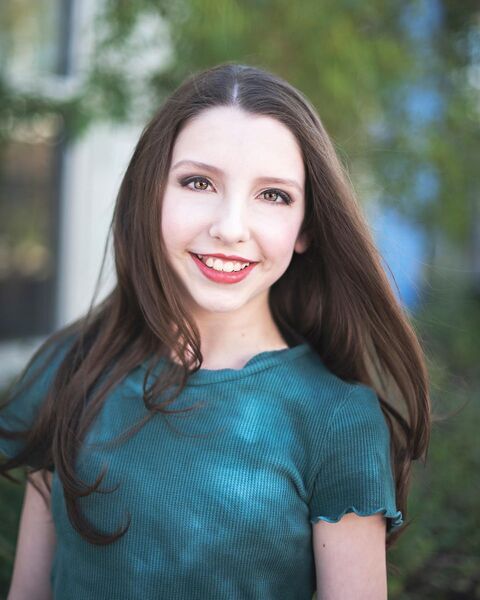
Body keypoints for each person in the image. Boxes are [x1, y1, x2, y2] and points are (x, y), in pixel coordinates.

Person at [0, 62, 431, 600]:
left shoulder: (338, 419)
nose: (229, 228)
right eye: (199, 182)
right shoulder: (73, 365)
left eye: (273, 195)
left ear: (306, 227)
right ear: (151, 194)